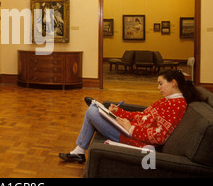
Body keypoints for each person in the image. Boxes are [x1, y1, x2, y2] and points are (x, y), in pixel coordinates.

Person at [59, 69, 201, 163]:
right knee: (96, 110)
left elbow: (159, 136)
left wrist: (131, 128)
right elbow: (143, 116)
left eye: (161, 84)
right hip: (130, 130)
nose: (158, 88)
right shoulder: (168, 100)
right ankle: (79, 151)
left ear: (173, 83)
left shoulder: (176, 105)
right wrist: (119, 113)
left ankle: (79, 151)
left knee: (92, 111)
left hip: (133, 138)